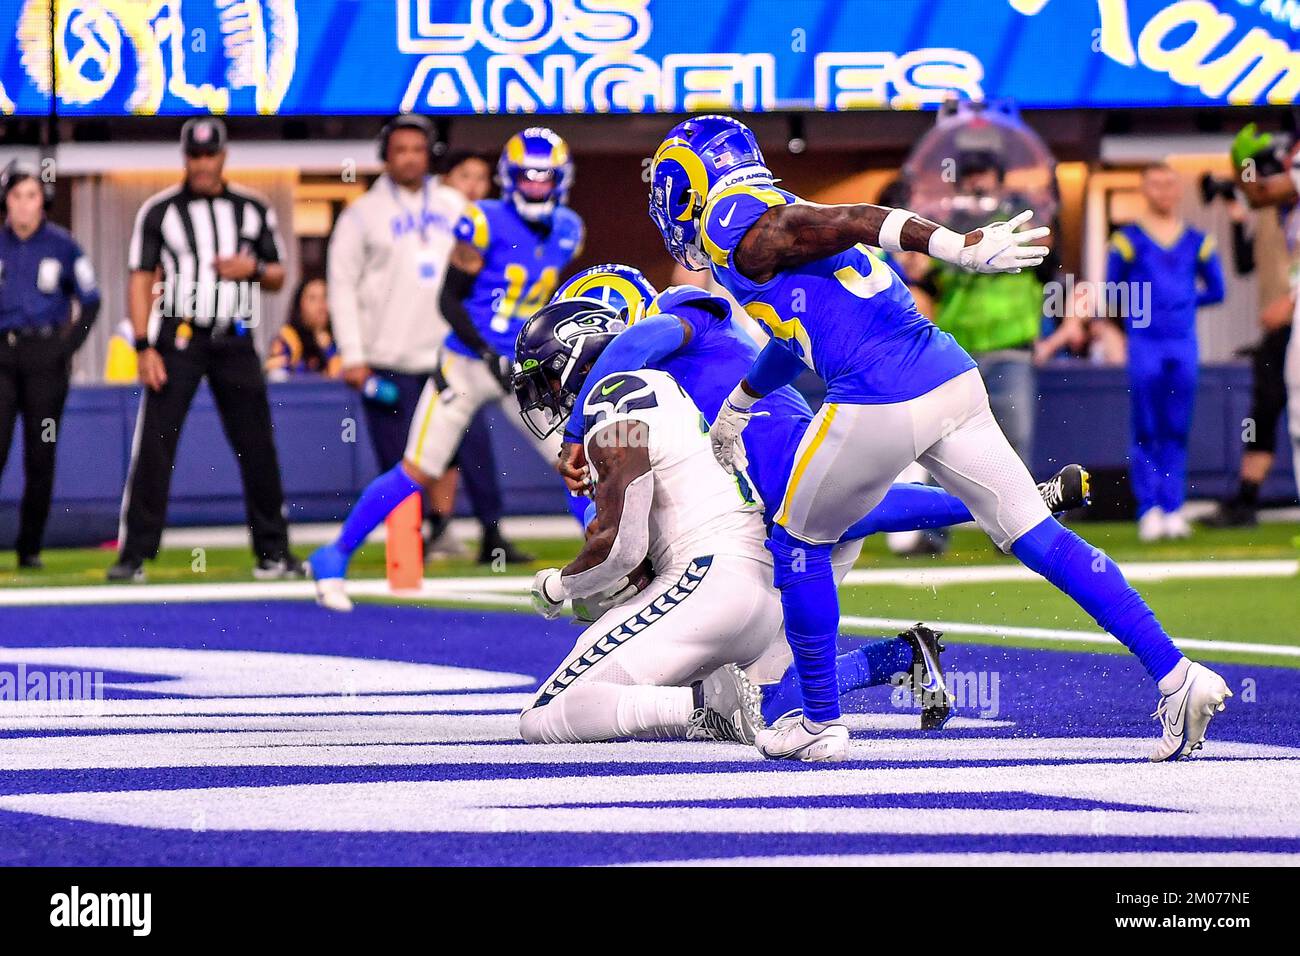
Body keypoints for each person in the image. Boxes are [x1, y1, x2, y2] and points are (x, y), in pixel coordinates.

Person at [649, 114, 1230, 763]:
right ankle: (1178, 676)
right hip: (949, 378)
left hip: (880, 393)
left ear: (689, 185)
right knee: (1038, 535)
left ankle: (819, 721)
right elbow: (794, 333)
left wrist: (955, 246)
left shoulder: (737, 218)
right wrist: (743, 400)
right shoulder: (769, 219)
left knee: (796, 539)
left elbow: (858, 218)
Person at [547, 264, 1090, 733]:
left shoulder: (677, 317)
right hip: (761, 512)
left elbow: (636, 343)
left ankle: (1019, 500)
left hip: (780, 464)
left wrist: (579, 419)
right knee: (770, 703)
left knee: (761, 700)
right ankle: (904, 657)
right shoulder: (650, 392)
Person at [516, 298, 953, 745]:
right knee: (772, 707)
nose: (547, 397)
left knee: (543, 716)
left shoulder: (627, 384)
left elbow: (620, 547)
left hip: (721, 566)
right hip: (763, 565)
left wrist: (557, 587)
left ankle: (701, 705)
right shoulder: (672, 388)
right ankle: (896, 657)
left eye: (547, 379)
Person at [308, 127, 588, 611]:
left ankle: (611, 566)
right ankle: (333, 555)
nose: (538, 186)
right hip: (467, 361)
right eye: (529, 176)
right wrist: (486, 352)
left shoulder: (569, 229)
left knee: (574, 464)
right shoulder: (481, 221)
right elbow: (449, 299)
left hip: (524, 367)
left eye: (546, 177)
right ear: (511, 178)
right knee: (418, 468)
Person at [109, 117, 301, 583]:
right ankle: (133, 554)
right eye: (194, 156)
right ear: (185, 158)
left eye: (209, 154)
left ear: (223, 155)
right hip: (178, 336)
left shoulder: (252, 209)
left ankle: (272, 553)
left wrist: (250, 267)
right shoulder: (159, 211)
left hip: (234, 338)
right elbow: (139, 279)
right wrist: (142, 346)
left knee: (257, 445)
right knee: (155, 444)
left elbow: (278, 275)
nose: (201, 163)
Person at [1106, 164, 1225, 542]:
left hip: (1182, 342)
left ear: (1178, 191)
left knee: (1177, 427)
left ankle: (1173, 508)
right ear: (1144, 190)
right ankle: (1149, 509)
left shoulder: (1198, 241)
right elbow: (1112, 292)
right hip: (1144, 343)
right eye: (1155, 184)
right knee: (1146, 426)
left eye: (1170, 184)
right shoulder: (1127, 240)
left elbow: (1218, 290)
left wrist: (1184, 304)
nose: (1163, 191)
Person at [0, 161, 101, 569]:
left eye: (32, 197)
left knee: (40, 454)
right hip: (2, 359)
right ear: (6, 201)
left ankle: (30, 549)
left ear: (43, 202)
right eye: (17, 196)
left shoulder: (65, 246)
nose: (24, 206)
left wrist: (66, 347)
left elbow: (92, 300)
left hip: (46, 360)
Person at [1233, 121, 1300, 508]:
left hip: (1293, 318)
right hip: (1279, 330)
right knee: (1265, 409)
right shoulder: (1270, 211)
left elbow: (1258, 191)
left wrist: (1293, 301)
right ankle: (1247, 496)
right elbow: (1257, 196)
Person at [265, 276, 340, 379]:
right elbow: (277, 377)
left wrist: (327, 348)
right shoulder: (287, 339)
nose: (321, 304)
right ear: (300, 305)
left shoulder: (341, 339)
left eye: (325, 297)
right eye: (313, 298)